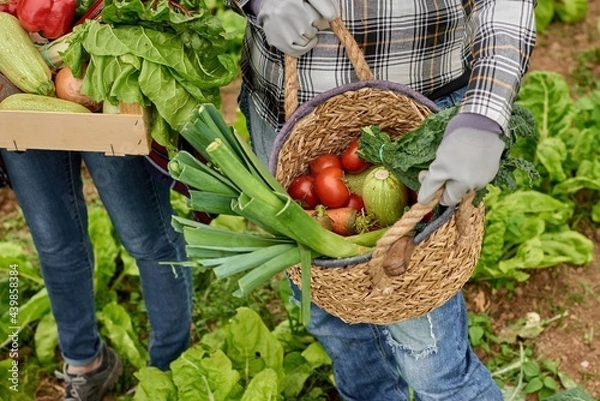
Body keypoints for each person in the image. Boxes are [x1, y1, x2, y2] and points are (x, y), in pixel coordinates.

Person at [225, 0, 536, 400]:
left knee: (431, 362)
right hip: (284, 113)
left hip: (415, 112)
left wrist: (484, 114)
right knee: (331, 316)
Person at [0, 147, 193, 401]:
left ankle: (167, 373)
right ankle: (86, 365)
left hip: (107, 109)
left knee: (148, 239)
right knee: (55, 245)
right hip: (16, 111)